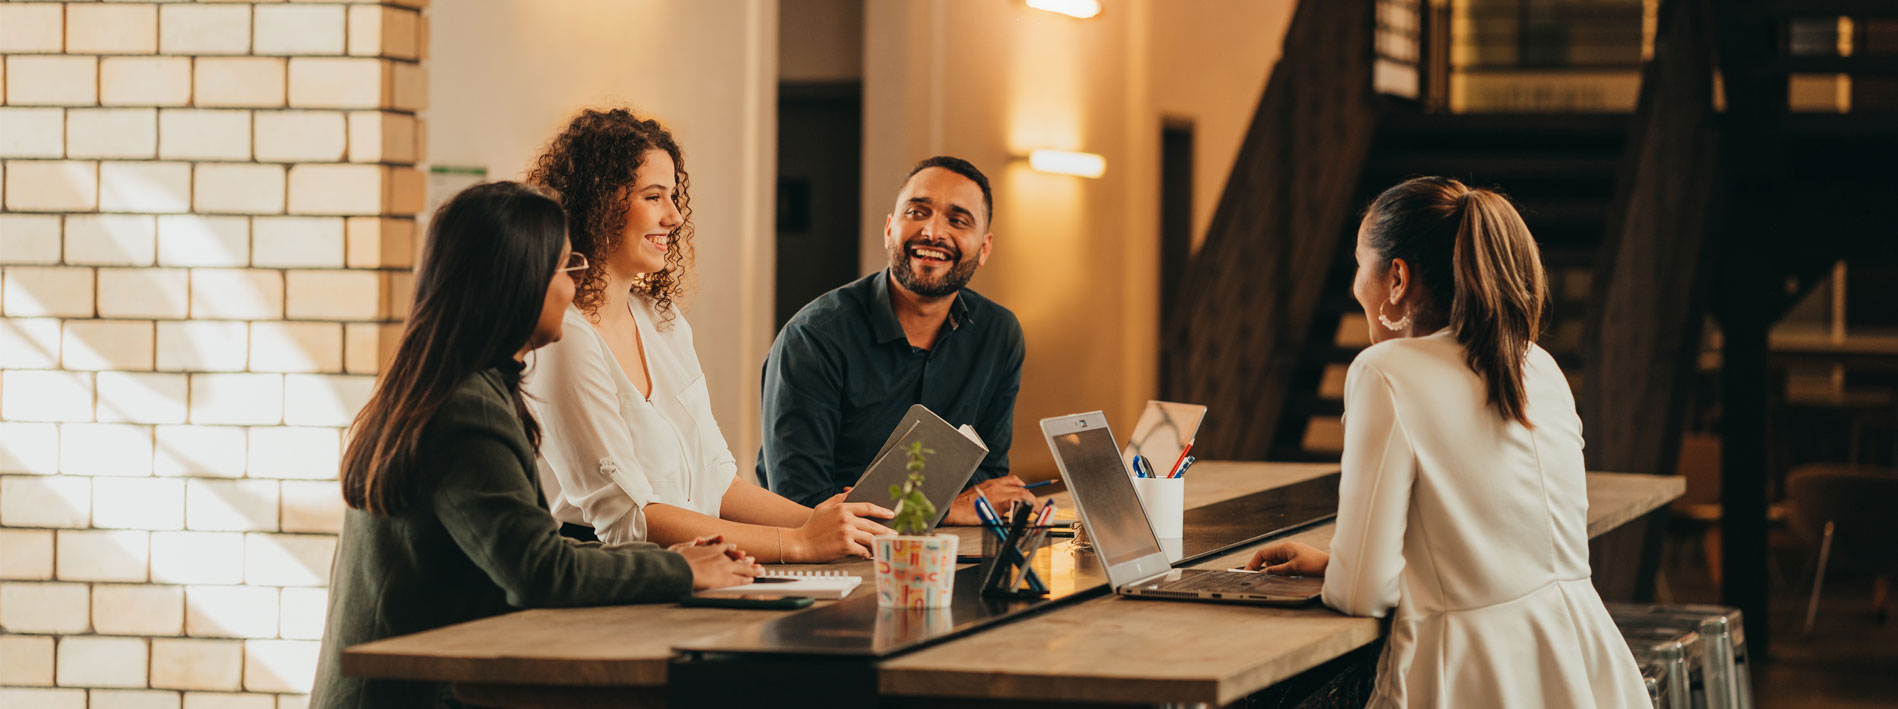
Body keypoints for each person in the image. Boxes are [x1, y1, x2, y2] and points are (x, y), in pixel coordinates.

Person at [311, 182, 759, 708]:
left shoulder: (459, 386)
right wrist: (681, 569)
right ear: (518, 279)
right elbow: (540, 572)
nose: (577, 284)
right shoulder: (467, 410)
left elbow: (527, 547)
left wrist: (675, 560)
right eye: (566, 266)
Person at [1245, 177, 1648, 707]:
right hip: (1580, 670)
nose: (1354, 285)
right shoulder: (1537, 364)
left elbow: (1361, 595)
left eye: (1359, 264)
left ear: (1397, 278)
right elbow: (1494, 558)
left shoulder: (1385, 371)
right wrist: (1336, 562)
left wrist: (1347, 571)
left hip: (1466, 679)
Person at [523, 108, 894, 562]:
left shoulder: (663, 321)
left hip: (700, 566)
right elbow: (628, 520)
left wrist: (827, 522)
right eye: (654, 197)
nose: (675, 217)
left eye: (673, 197)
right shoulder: (565, 338)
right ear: (597, 204)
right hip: (612, 575)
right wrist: (799, 542)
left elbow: (718, 483)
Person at [758, 156, 1037, 523]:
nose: (933, 232)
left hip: (953, 546)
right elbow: (800, 502)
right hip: (830, 553)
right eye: (917, 212)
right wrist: (944, 509)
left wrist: (924, 509)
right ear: (890, 228)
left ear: (983, 248)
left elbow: (986, 482)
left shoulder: (998, 334)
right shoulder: (812, 338)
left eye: (957, 220)